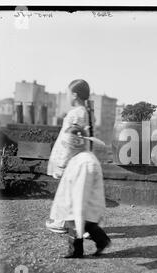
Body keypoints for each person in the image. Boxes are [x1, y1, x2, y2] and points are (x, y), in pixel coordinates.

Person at [50, 124, 111, 258]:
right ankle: (78, 250)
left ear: (74, 144)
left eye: (67, 146)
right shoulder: (79, 157)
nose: (66, 149)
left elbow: (81, 191)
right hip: (81, 203)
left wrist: (79, 212)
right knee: (81, 224)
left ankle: (99, 242)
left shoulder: (85, 162)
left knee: (82, 224)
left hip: (85, 203)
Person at [46, 79, 91, 234]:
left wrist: (62, 163)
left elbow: (69, 140)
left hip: (70, 159)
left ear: (74, 95)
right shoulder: (85, 113)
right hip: (79, 157)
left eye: (67, 94)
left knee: (66, 193)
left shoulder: (75, 114)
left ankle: (60, 223)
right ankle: (79, 225)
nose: (66, 97)